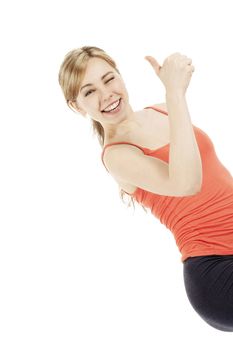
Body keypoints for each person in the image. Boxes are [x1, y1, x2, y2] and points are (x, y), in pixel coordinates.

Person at [58, 46, 233, 332]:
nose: (106, 95)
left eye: (108, 79)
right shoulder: (117, 156)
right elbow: (187, 184)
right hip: (215, 272)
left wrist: (174, 96)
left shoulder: (161, 111)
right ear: (77, 106)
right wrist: (175, 93)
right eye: (89, 92)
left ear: (120, 76)